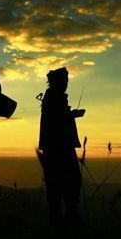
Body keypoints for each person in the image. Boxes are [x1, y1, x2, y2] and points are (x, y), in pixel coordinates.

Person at [38, 67, 85, 225]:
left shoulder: (51, 97)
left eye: (67, 81)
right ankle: (68, 217)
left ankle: (59, 217)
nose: (66, 84)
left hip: (54, 147)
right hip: (60, 148)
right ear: (57, 82)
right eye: (64, 81)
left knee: (57, 183)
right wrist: (73, 114)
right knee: (70, 180)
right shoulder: (54, 97)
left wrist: (70, 114)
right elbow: (57, 120)